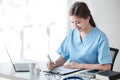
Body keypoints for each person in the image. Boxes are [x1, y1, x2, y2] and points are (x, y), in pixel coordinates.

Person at [47, 1, 112, 71]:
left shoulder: (100, 37)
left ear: (87, 18)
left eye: (78, 22)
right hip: (71, 73)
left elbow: (106, 67)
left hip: (90, 75)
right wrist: (54, 63)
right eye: (72, 22)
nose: (75, 26)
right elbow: (64, 56)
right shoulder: (72, 33)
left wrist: (79, 66)